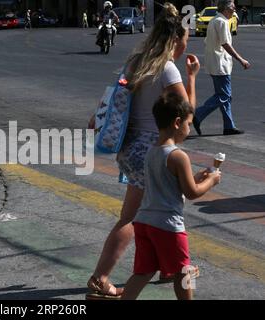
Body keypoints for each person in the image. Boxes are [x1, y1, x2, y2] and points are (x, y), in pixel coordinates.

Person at [86, 2, 200, 299]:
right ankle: (101, 278)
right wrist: (192, 78)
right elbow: (185, 118)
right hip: (155, 151)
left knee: (147, 213)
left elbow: (113, 98)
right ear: (176, 40)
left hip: (129, 147)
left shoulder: (136, 61)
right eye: (184, 42)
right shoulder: (168, 69)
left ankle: (165, 267)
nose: (183, 47)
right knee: (141, 217)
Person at [121, 93, 221, 300]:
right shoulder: (178, 156)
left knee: (143, 272)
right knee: (185, 271)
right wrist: (211, 181)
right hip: (167, 224)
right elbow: (191, 192)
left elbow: (166, 183)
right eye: (189, 123)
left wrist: (194, 177)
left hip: (144, 221)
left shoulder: (151, 151)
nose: (189, 128)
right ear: (178, 123)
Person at [193, 0, 250, 136]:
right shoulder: (222, 22)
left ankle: (228, 126)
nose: (234, 11)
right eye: (233, 8)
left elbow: (208, 41)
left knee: (225, 96)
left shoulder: (214, 20)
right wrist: (241, 59)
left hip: (214, 63)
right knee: (224, 95)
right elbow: (225, 44)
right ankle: (197, 115)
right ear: (226, 8)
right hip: (220, 64)